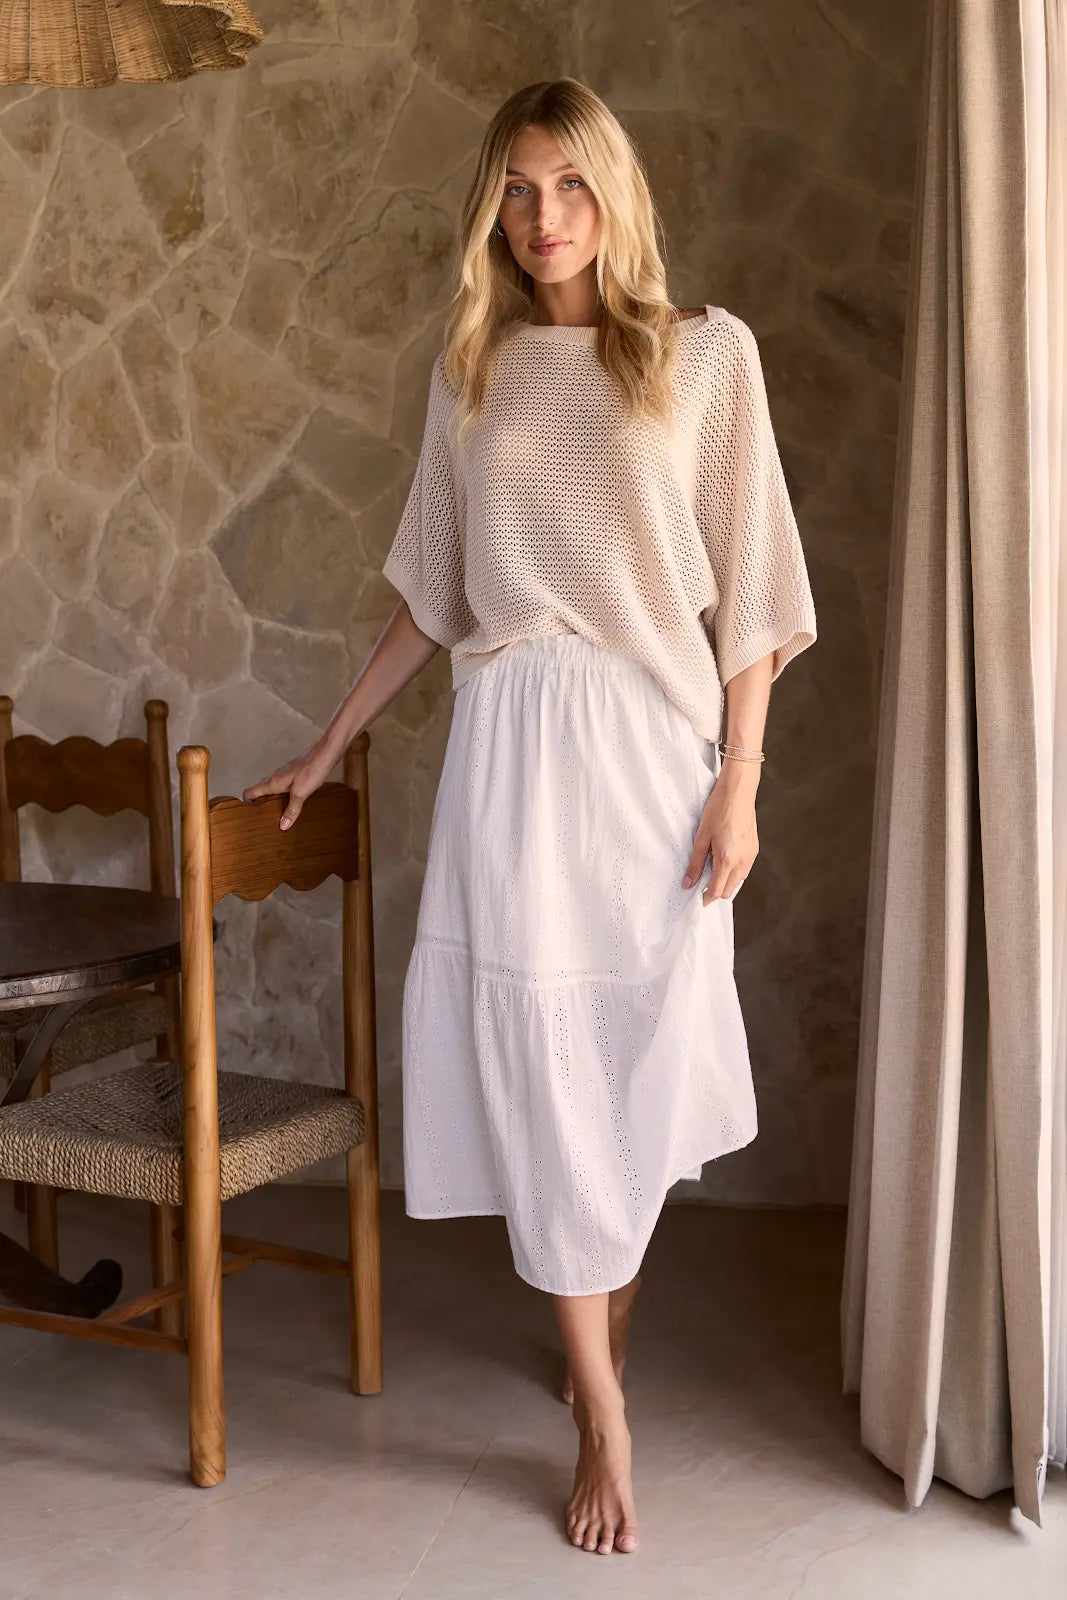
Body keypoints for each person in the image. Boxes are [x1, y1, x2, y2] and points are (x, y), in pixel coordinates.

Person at [244, 76, 817, 1557]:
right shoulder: (473, 374)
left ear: (613, 195)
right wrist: (330, 743)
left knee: (636, 1054)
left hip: (653, 759)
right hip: (511, 754)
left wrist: (743, 776)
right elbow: (434, 596)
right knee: (540, 1064)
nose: (543, 216)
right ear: (491, 211)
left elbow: (752, 588)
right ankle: (600, 1406)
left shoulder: (706, 357)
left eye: (568, 185)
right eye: (516, 189)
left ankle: (603, 1315)